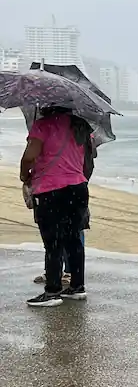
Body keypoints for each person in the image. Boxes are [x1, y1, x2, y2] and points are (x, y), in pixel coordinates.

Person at [20, 106, 94, 306]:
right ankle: (77, 287)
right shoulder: (81, 126)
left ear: (47, 104)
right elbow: (89, 157)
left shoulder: (43, 125)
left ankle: (52, 291)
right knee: (73, 239)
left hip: (51, 189)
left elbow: (30, 156)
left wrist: (23, 173)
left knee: (52, 241)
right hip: (78, 187)